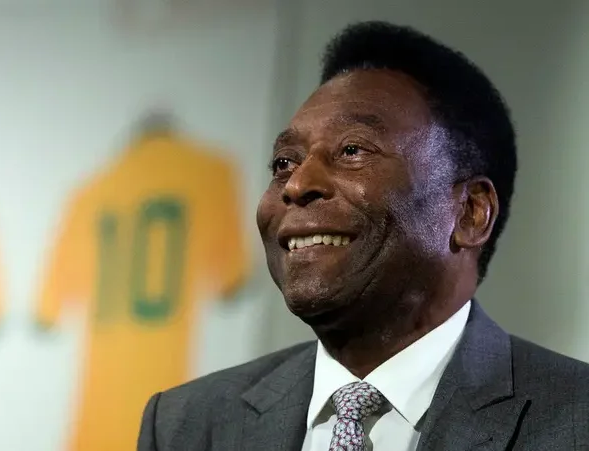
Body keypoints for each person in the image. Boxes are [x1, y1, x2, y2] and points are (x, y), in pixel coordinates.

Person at [136, 20, 589, 451]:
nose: (297, 184)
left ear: (470, 213)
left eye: (352, 150)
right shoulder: (186, 425)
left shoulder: (575, 418)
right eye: (284, 163)